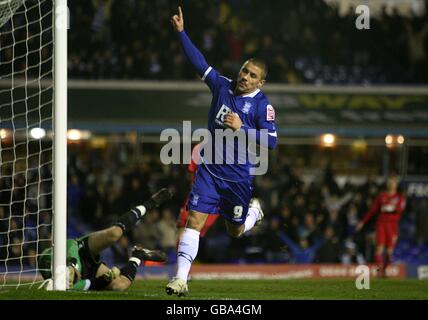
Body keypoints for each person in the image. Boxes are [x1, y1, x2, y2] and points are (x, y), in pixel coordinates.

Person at [167, 6, 277, 296]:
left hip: (238, 179)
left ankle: (253, 213)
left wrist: (242, 128)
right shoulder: (222, 86)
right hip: (210, 171)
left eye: (252, 75)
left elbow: (273, 141)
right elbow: (199, 62)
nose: (245, 76)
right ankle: (180, 279)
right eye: (244, 70)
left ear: (260, 82)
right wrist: (182, 34)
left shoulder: (263, 106)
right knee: (194, 220)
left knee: (235, 231)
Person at [38, 188, 172, 291]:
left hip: (82, 249)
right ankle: (137, 256)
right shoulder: (71, 286)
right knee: (120, 286)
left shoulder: (46, 258)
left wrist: (72, 264)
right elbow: (91, 284)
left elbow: (71, 244)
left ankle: (149, 204)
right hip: (88, 272)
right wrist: (105, 278)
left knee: (114, 234)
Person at [356, 175, 406, 277]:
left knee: (389, 252)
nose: (391, 184)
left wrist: (390, 208)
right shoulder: (381, 196)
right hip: (381, 224)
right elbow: (372, 211)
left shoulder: (399, 198)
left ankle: (384, 271)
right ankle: (379, 272)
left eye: (393, 182)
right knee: (379, 249)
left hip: (392, 226)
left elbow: (400, 210)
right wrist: (363, 222)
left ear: (396, 185)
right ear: (387, 184)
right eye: (390, 182)